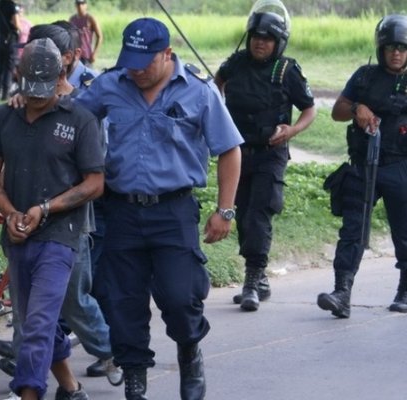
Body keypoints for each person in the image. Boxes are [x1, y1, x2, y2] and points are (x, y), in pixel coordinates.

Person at [76, 17, 243, 400]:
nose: (135, 69)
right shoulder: (110, 86)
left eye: (144, 62)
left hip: (174, 210)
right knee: (121, 300)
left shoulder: (198, 92)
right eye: (129, 60)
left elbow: (229, 149)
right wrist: (31, 98)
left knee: (180, 296)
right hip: (121, 211)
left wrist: (226, 210)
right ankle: (135, 376)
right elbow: (70, 116)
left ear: (166, 54)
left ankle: (189, 351)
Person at [0, 23, 122, 385]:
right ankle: (43, 370)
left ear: (68, 60)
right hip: (26, 225)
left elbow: (94, 173)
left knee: (71, 302)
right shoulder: (18, 104)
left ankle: (110, 351)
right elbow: (11, 148)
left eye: (51, 57)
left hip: (69, 225)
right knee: (36, 315)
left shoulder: (87, 99)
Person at [214, 11, 316, 311]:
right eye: (257, 37)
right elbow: (214, 86)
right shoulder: (235, 63)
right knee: (242, 213)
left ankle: (251, 280)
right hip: (237, 151)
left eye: (268, 39)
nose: (261, 43)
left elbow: (310, 110)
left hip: (271, 152)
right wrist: (219, 116)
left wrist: (292, 130)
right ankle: (260, 278)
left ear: (279, 42)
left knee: (260, 212)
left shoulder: (287, 70)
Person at [317, 14, 407, 318]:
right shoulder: (365, 76)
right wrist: (357, 108)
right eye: (391, 46)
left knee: (404, 231)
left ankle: (405, 289)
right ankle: (342, 292)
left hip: (400, 165)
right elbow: (337, 111)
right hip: (363, 164)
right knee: (353, 229)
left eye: (403, 47)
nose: (396, 52)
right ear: (381, 48)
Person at [0, 0, 20, 100]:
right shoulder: (12, 6)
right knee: (8, 68)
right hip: (10, 39)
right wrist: (19, 28)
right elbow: (16, 24)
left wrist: (2, 26)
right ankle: (5, 95)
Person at [68, 0, 103, 66]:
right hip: (75, 55)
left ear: (86, 5)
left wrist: (95, 53)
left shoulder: (90, 18)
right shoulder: (72, 19)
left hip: (86, 56)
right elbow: (69, 36)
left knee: (87, 75)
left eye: (82, 3)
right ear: (75, 5)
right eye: (78, 4)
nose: (80, 6)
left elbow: (100, 36)